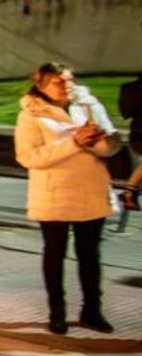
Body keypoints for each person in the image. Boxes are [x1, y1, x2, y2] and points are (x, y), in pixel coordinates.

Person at [14, 62, 120, 334]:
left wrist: (98, 141)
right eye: (58, 82)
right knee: (55, 253)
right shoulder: (31, 114)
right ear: (41, 85)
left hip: (91, 190)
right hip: (55, 194)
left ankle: (92, 310)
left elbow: (111, 145)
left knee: (90, 255)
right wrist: (74, 143)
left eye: (69, 79)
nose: (66, 85)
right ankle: (57, 312)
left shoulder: (88, 104)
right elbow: (29, 157)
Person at [119, 69, 141, 211]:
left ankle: (130, 192)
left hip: (136, 134)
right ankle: (129, 191)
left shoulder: (128, 88)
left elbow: (125, 113)